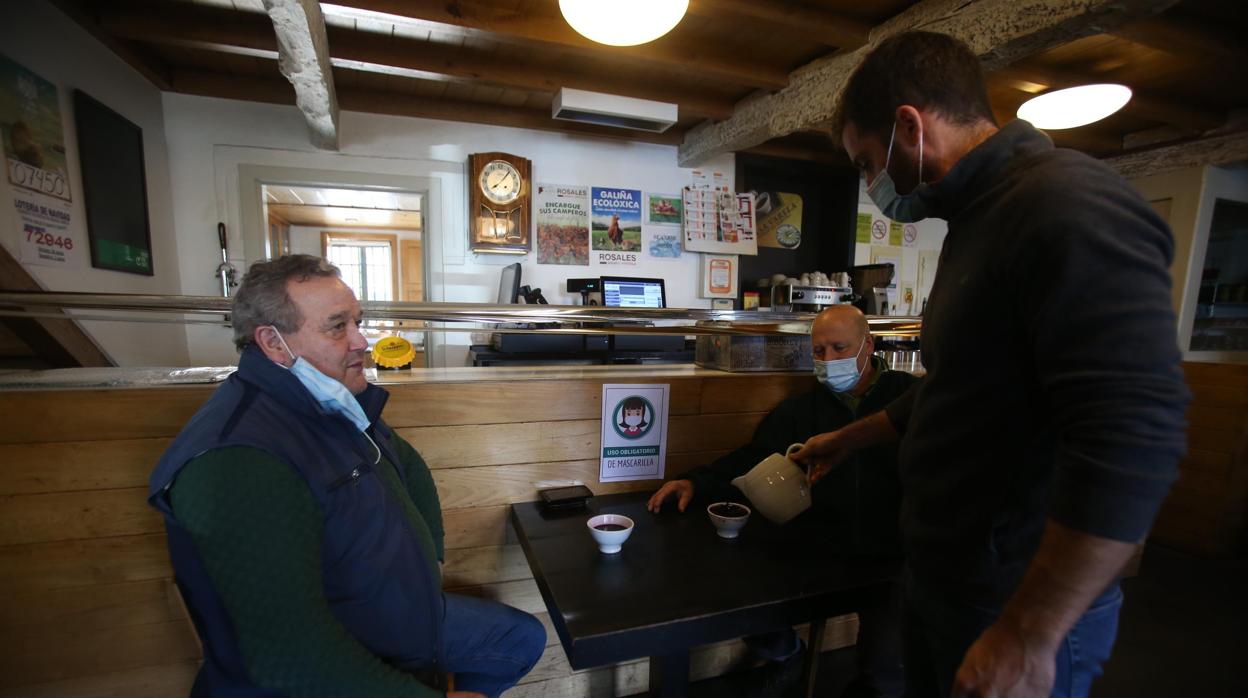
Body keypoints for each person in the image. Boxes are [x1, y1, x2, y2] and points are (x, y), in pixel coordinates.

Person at [793, 31, 1190, 698]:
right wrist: (852, 437)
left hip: (1012, 600)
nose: (871, 188)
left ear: (909, 127)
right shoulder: (978, 219)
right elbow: (961, 384)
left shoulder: (1062, 204)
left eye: (867, 165)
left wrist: (1029, 634)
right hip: (948, 578)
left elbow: (1134, 431)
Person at [149, 255, 545, 698]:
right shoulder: (239, 459)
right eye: (338, 327)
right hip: (323, 663)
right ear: (273, 343)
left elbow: (408, 463)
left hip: (395, 618)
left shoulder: (324, 401)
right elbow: (292, 659)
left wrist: (429, 558)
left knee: (520, 638)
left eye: (359, 321)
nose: (362, 341)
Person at [648, 305, 917, 698]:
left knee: (886, 666)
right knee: (733, 587)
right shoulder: (802, 410)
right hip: (820, 542)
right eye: (819, 352)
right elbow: (751, 459)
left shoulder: (907, 399)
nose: (828, 361)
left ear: (868, 345)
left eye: (840, 348)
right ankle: (787, 654)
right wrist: (694, 481)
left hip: (894, 552)